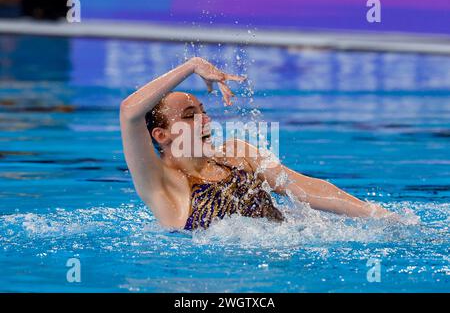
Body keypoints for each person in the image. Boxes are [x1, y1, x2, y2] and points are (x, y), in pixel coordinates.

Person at [120, 57, 394, 230]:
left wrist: (375, 213)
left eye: (203, 111)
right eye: (191, 116)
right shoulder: (161, 182)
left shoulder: (236, 152)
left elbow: (302, 187)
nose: (205, 120)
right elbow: (129, 112)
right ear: (161, 135)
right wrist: (192, 66)